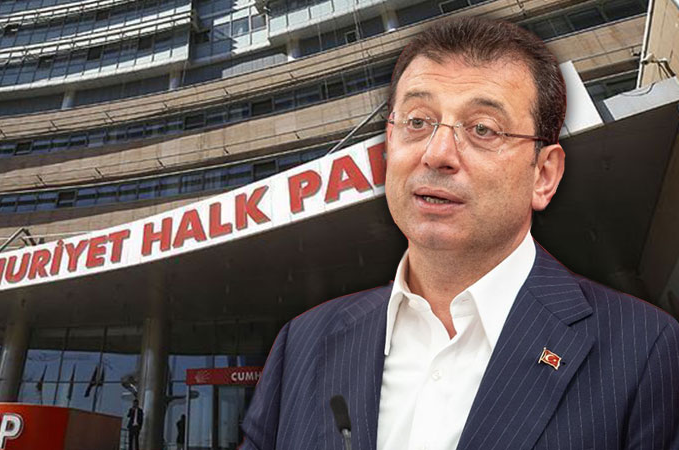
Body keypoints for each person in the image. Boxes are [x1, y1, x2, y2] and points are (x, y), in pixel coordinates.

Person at [239, 16, 679, 450]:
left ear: (544, 175)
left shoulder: (643, 350)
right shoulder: (302, 344)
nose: (437, 154)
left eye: (482, 129)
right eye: (417, 122)